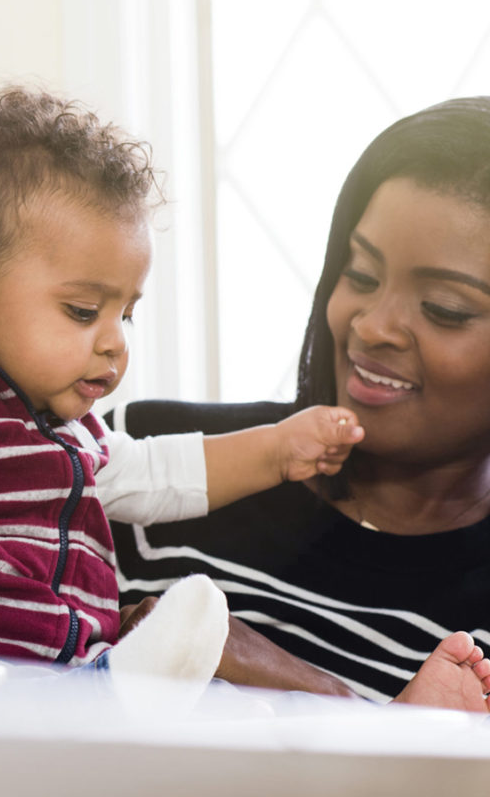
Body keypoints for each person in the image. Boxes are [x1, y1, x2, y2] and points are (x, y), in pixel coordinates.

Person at [0, 87, 362, 671]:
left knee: (176, 671)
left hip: (63, 693)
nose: (114, 341)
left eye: (126, 313)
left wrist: (279, 448)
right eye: (83, 311)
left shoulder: (70, 431)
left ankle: (136, 674)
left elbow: (160, 474)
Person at [113, 98, 490, 712]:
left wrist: (312, 693)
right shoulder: (136, 462)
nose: (372, 326)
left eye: (445, 309)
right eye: (360, 274)